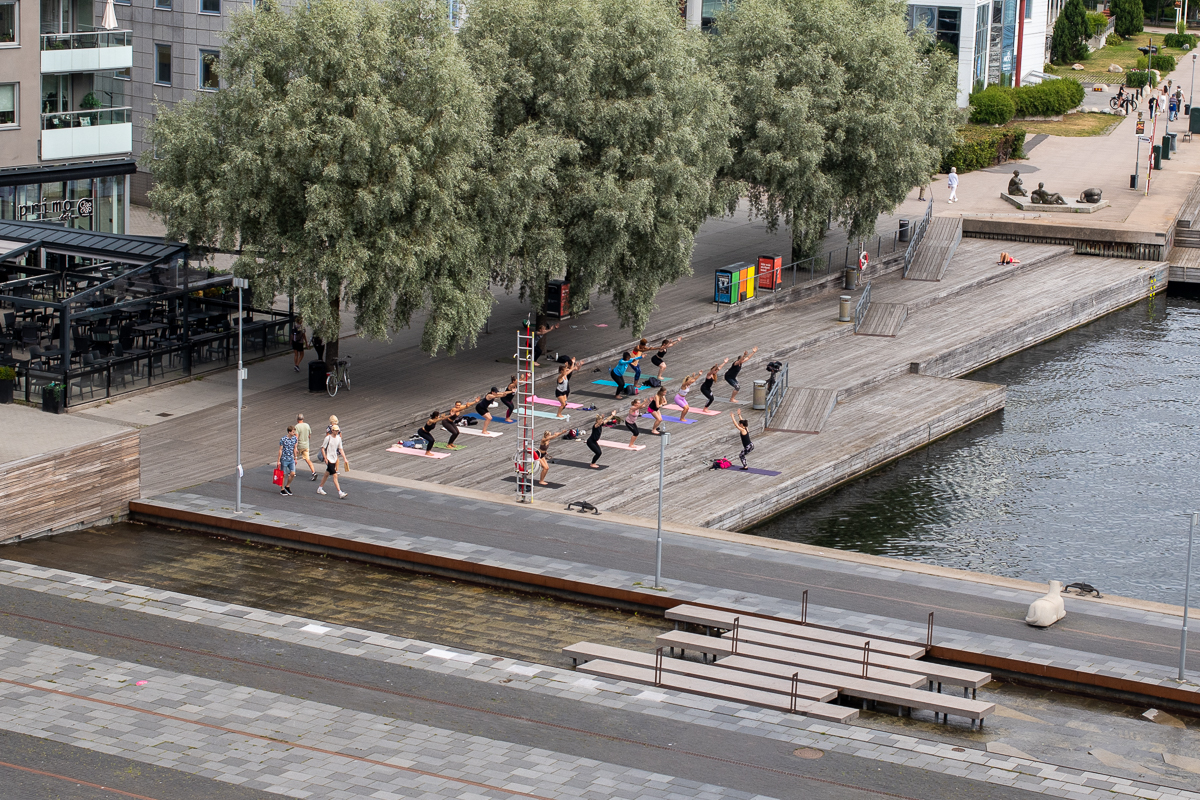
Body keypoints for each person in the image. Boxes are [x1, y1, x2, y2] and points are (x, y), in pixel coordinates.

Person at [317, 425, 349, 498]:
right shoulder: (328, 438)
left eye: (338, 431)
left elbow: (341, 449)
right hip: (328, 458)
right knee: (335, 475)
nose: (337, 432)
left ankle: (320, 488)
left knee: (327, 474)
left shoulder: (338, 438)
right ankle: (340, 492)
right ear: (332, 430)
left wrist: (345, 458)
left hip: (334, 458)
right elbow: (322, 448)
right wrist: (325, 458)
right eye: (336, 430)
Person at [277, 425, 298, 495]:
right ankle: (282, 488)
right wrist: (278, 460)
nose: (294, 433)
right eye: (293, 432)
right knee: (284, 474)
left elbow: (295, 448)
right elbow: (280, 450)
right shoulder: (283, 439)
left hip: (291, 458)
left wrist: (295, 458)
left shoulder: (295, 438)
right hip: (284, 459)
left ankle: (287, 486)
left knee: (293, 473)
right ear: (289, 432)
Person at [295, 413, 316, 480]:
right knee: (307, 459)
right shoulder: (307, 425)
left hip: (299, 445)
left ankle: (292, 471)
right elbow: (309, 436)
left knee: (295, 458)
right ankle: (313, 472)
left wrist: (295, 447)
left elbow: (296, 437)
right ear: (303, 419)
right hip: (306, 445)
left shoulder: (297, 427)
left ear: (297, 419)